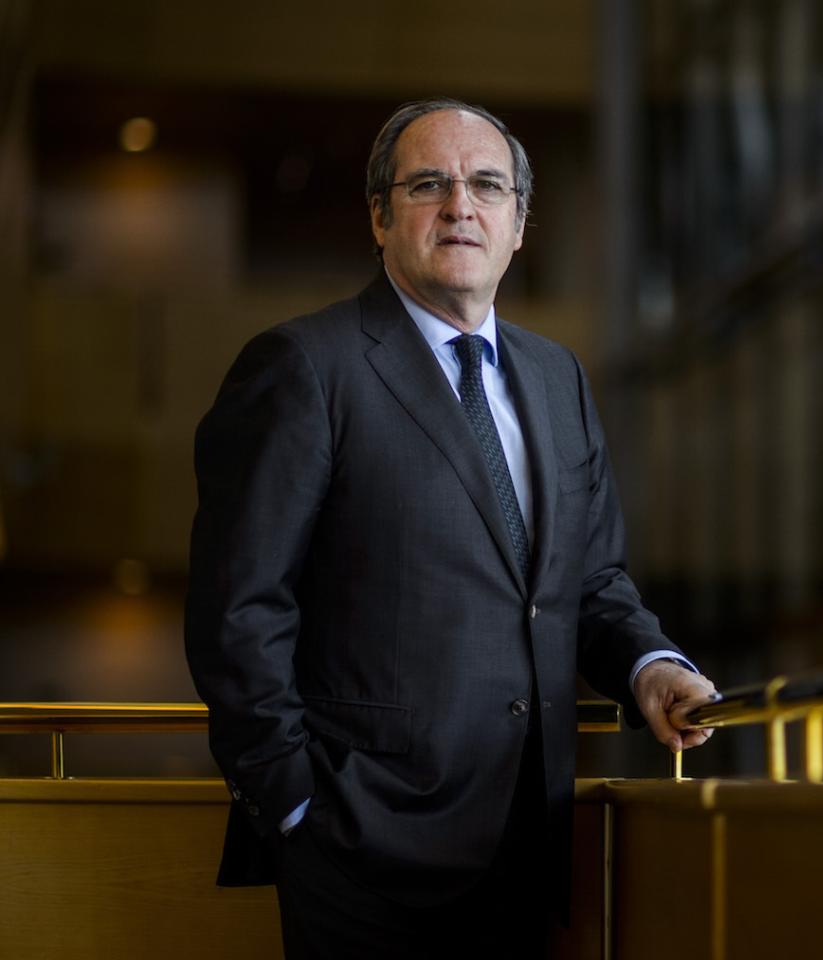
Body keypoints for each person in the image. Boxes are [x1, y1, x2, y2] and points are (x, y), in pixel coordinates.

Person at [184, 97, 716, 957]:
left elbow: (589, 582)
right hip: (359, 848)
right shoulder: (304, 368)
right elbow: (237, 608)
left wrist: (649, 666)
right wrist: (293, 804)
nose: (460, 205)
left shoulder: (557, 378)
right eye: (429, 183)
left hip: (530, 841)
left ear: (517, 224)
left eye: (487, 186)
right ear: (379, 216)